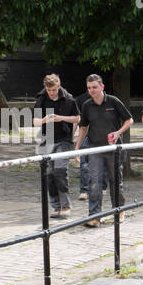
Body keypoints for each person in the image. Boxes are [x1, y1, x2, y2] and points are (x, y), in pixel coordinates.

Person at [75, 74, 133, 228]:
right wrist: (77, 147)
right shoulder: (86, 105)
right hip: (95, 148)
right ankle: (95, 216)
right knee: (94, 182)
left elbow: (129, 119)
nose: (91, 90)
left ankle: (119, 209)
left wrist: (118, 132)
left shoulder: (113, 101)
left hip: (113, 149)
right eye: (88, 88)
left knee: (116, 181)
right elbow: (83, 127)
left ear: (102, 87)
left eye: (94, 87)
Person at [32, 74, 81, 218]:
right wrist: (44, 120)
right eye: (49, 90)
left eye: (53, 89)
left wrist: (61, 118)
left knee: (60, 170)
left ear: (58, 86)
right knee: (48, 174)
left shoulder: (69, 100)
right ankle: (56, 205)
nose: (51, 92)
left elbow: (77, 118)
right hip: (46, 140)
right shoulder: (41, 99)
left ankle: (65, 205)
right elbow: (34, 121)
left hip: (64, 139)